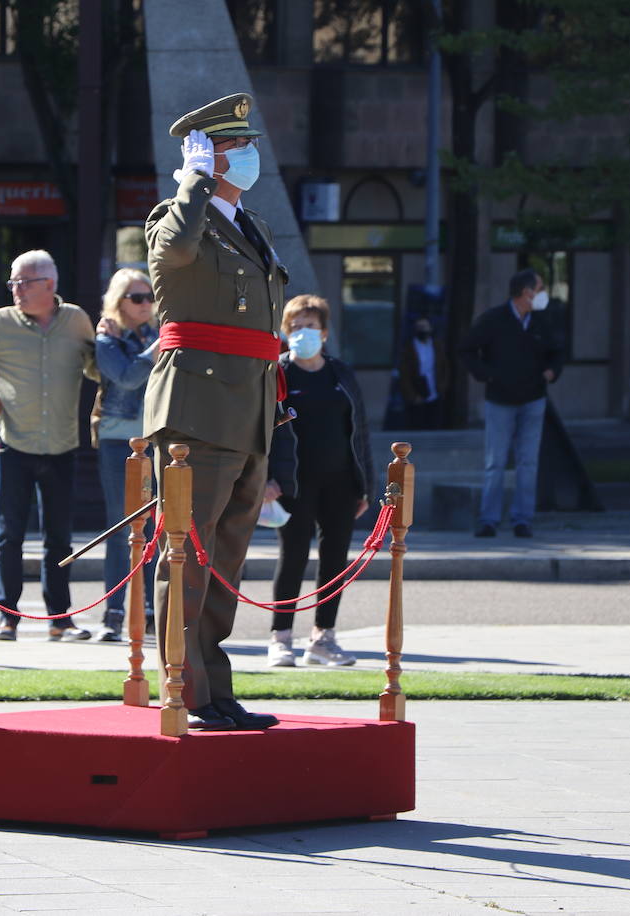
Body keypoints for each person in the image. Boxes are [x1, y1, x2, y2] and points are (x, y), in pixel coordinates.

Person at [143, 93, 287, 730]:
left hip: (249, 413)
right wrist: (193, 184)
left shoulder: (249, 227)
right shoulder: (174, 218)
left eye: (248, 144)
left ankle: (215, 690)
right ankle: (184, 689)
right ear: (206, 154)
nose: (250, 154)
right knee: (187, 559)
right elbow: (172, 256)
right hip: (196, 416)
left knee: (224, 561)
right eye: (237, 146)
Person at [0, 250, 97, 642]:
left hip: (62, 443)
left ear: (49, 285)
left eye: (23, 282)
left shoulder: (77, 320)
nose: (15, 290)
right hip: (14, 443)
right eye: (12, 282)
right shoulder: (0, 322)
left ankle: (59, 619)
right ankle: (6, 617)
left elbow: (97, 368)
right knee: (9, 534)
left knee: (59, 538)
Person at [264, 295, 374, 668]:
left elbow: (360, 432)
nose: (303, 333)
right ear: (285, 331)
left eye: (310, 326)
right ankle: (280, 638)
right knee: (292, 556)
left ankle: (323, 638)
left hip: (341, 481)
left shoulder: (341, 374)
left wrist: (366, 485)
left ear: (324, 332)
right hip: (292, 483)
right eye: (296, 326)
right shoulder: (276, 373)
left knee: (334, 559)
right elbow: (258, 430)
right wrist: (264, 479)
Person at [459, 268, 563, 539]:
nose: (542, 294)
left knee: (528, 462)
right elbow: (467, 349)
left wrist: (552, 372)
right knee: (496, 461)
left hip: (533, 400)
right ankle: (489, 520)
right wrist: (486, 374)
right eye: (539, 288)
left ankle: (522, 520)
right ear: (526, 293)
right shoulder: (494, 319)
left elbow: (556, 352)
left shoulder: (541, 321)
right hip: (500, 401)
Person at [92, 268, 159, 641]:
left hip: (156, 440)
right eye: (137, 298)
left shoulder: (155, 333)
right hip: (119, 441)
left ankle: (150, 612)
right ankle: (114, 614)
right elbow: (128, 376)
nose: (146, 304)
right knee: (121, 529)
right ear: (119, 301)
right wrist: (156, 348)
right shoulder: (107, 338)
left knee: (153, 530)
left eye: (149, 297)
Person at [397, 314, 449, 430]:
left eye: (425, 326)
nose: (423, 330)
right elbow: (404, 374)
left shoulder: (437, 346)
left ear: (430, 328)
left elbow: (444, 368)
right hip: (417, 394)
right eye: (420, 327)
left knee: (434, 425)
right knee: (417, 425)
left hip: (435, 392)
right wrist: (412, 395)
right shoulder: (409, 349)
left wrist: (442, 387)